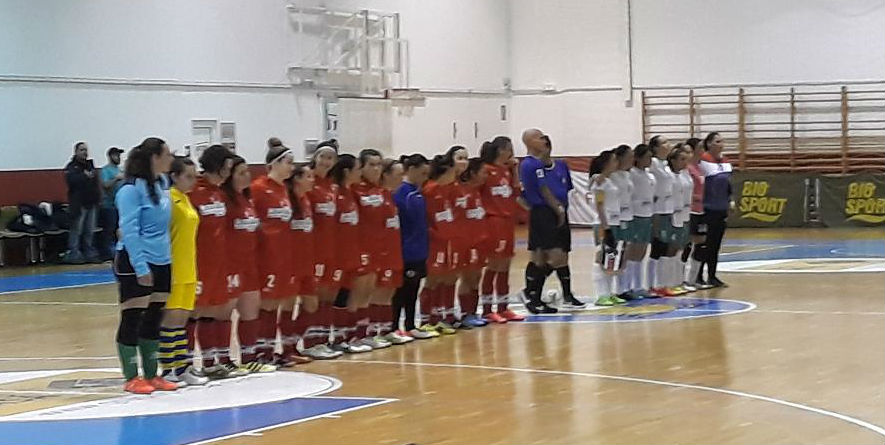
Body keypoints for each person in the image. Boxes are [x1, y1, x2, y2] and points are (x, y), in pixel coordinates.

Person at [113, 137, 176, 394]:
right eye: (167, 154)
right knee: (133, 317)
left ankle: (152, 374)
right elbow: (130, 230)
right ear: (154, 158)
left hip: (162, 259)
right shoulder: (128, 190)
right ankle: (131, 377)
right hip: (135, 259)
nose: (171, 159)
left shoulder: (162, 184)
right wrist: (141, 267)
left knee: (154, 317)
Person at [222, 155, 281, 372]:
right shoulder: (224, 200)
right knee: (223, 314)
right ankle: (221, 359)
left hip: (250, 264)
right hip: (230, 266)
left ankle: (249, 358)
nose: (247, 175)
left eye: (248, 171)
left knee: (250, 313)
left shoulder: (247, 200)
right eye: (241, 172)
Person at [251, 145, 307, 365]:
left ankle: (281, 350)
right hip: (267, 255)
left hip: (285, 254)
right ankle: (262, 353)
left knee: (283, 302)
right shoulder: (258, 188)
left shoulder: (284, 189)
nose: (291, 167)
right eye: (288, 162)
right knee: (268, 305)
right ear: (273, 163)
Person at [188, 145, 240, 378]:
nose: (229, 173)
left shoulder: (219, 193)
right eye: (227, 168)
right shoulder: (193, 192)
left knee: (213, 310)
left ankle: (211, 362)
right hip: (197, 263)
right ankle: (186, 364)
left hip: (218, 263)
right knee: (191, 313)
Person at [158, 156, 209, 386]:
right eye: (187, 176)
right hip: (174, 269)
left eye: (194, 176)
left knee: (182, 321)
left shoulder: (187, 200)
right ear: (174, 176)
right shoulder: (168, 200)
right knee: (171, 321)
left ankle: (182, 366)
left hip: (189, 268)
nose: (192, 181)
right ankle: (168, 368)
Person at [353, 153, 412, 346]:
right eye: (371, 165)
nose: (376, 169)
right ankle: (359, 335)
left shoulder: (383, 192)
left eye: (378, 165)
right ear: (361, 167)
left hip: (389, 249)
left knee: (388, 291)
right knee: (365, 293)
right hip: (367, 250)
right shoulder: (356, 191)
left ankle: (383, 330)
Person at [519, 129, 579, 314]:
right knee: (553, 257)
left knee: (546, 258)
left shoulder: (554, 165)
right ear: (529, 141)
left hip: (551, 212)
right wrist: (557, 209)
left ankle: (534, 296)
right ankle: (531, 294)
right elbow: (542, 189)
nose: (543, 140)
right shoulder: (531, 165)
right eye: (539, 137)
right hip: (544, 213)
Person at [289, 163, 342, 360]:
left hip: (310, 257)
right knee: (299, 303)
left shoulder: (305, 201)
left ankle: (309, 342)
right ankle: (290, 346)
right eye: (308, 176)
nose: (313, 180)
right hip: (293, 260)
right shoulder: (290, 200)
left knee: (314, 302)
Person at [327, 154, 374, 353]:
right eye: (357, 169)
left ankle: (350, 336)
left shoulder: (350, 193)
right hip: (338, 254)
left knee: (352, 295)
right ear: (347, 172)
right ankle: (337, 338)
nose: (360, 173)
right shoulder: (335, 194)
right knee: (340, 296)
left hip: (352, 251)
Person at [419, 148, 467, 335]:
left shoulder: (450, 189)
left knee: (448, 277)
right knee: (433, 279)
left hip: (450, 239)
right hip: (435, 241)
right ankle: (426, 318)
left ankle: (443, 315)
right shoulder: (430, 189)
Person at [478, 137, 524, 322]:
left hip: (507, 220)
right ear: (501, 150)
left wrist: (515, 170)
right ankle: (488, 309)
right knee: (494, 264)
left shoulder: (506, 170)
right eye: (509, 148)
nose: (512, 152)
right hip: (493, 220)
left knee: (506, 264)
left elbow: (516, 191)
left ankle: (504, 306)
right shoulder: (486, 171)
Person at [392, 154, 435, 340]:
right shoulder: (403, 193)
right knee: (402, 290)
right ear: (411, 170)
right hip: (407, 250)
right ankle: (394, 327)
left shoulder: (418, 193)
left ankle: (410, 325)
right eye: (422, 172)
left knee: (413, 289)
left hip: (419, 249)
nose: (425, 177)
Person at [588, 150, 626, 306]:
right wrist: (606, 226)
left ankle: (609, 293)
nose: (617, 163)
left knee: (612, 258)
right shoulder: (600, 181)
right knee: (600, 257)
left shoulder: (610, 180)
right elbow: (599, 204)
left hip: (615, 222)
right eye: (614, 161)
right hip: (603, 224)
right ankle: (600, 294)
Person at [455, 157, 490, 327]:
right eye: (483, 172)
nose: (486, 176)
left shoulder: (476, 192)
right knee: (467, 278)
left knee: (476, 277)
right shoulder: (460, 191)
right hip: (465, 243)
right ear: (473, 173)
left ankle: (473, 312)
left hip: (480, 241)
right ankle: (464, 313)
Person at [697, 132, 734, 288]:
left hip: (721, 208)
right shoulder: (703, 161)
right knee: (703, 243)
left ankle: (712, 275)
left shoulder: (725, 162)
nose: (721, 144)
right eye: (718, 141)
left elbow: (728, 183)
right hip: (707, 209)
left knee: (716, 244)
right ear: (709, 143)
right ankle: (697, 275)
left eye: (722, 141)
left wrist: (730, 199)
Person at [647, 135, 677, 297]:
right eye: (664, 142)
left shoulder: (666, 165)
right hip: (656, 211)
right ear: (655, 148)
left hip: (668, 209)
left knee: (666, 247)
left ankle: (663, 283)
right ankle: (652, 284)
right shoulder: (652, 164)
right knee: (657, 247)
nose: (668, 144)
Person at [624, 144, 656, 298]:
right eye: (647, 157)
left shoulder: (649, 175)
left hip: (647, 215)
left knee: (642, 252)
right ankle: (627, 286)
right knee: (632, 252)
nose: (650, 160)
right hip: (635, 215)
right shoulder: (631, 174)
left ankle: (639, 286)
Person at [64, 142, 102, 264]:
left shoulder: (90, 166)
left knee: (89, 230)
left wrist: (98, 198)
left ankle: (89, 252)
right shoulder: (71, 167)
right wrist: (84, 176)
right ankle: (74, 253)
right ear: (76, 152)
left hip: (91, 203)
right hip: (79, 204)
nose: (85, 152)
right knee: (77, 230)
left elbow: (96, 183)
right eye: (82, 150)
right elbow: (71, 182)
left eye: (86, 150)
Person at [609, 145, 638, 301]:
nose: (632, 159)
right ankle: (611, 289)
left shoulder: (628, 175)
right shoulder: (611, 176)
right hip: (615, 219)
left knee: (625, 254)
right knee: (612, 254)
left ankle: (624, 287)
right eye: (629, 156)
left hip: (628, 217)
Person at [99, 147, 125, 261]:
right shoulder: (105, 170)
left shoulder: (120, 170)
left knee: (118, 230)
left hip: (120, 206)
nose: (118, 158)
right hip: (109, 205)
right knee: (109, 230)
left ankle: (118, 251)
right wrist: (115, 179)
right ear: (110, 156)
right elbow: (105, 185)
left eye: (119, 155)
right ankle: (107, 253)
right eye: (116, 155)